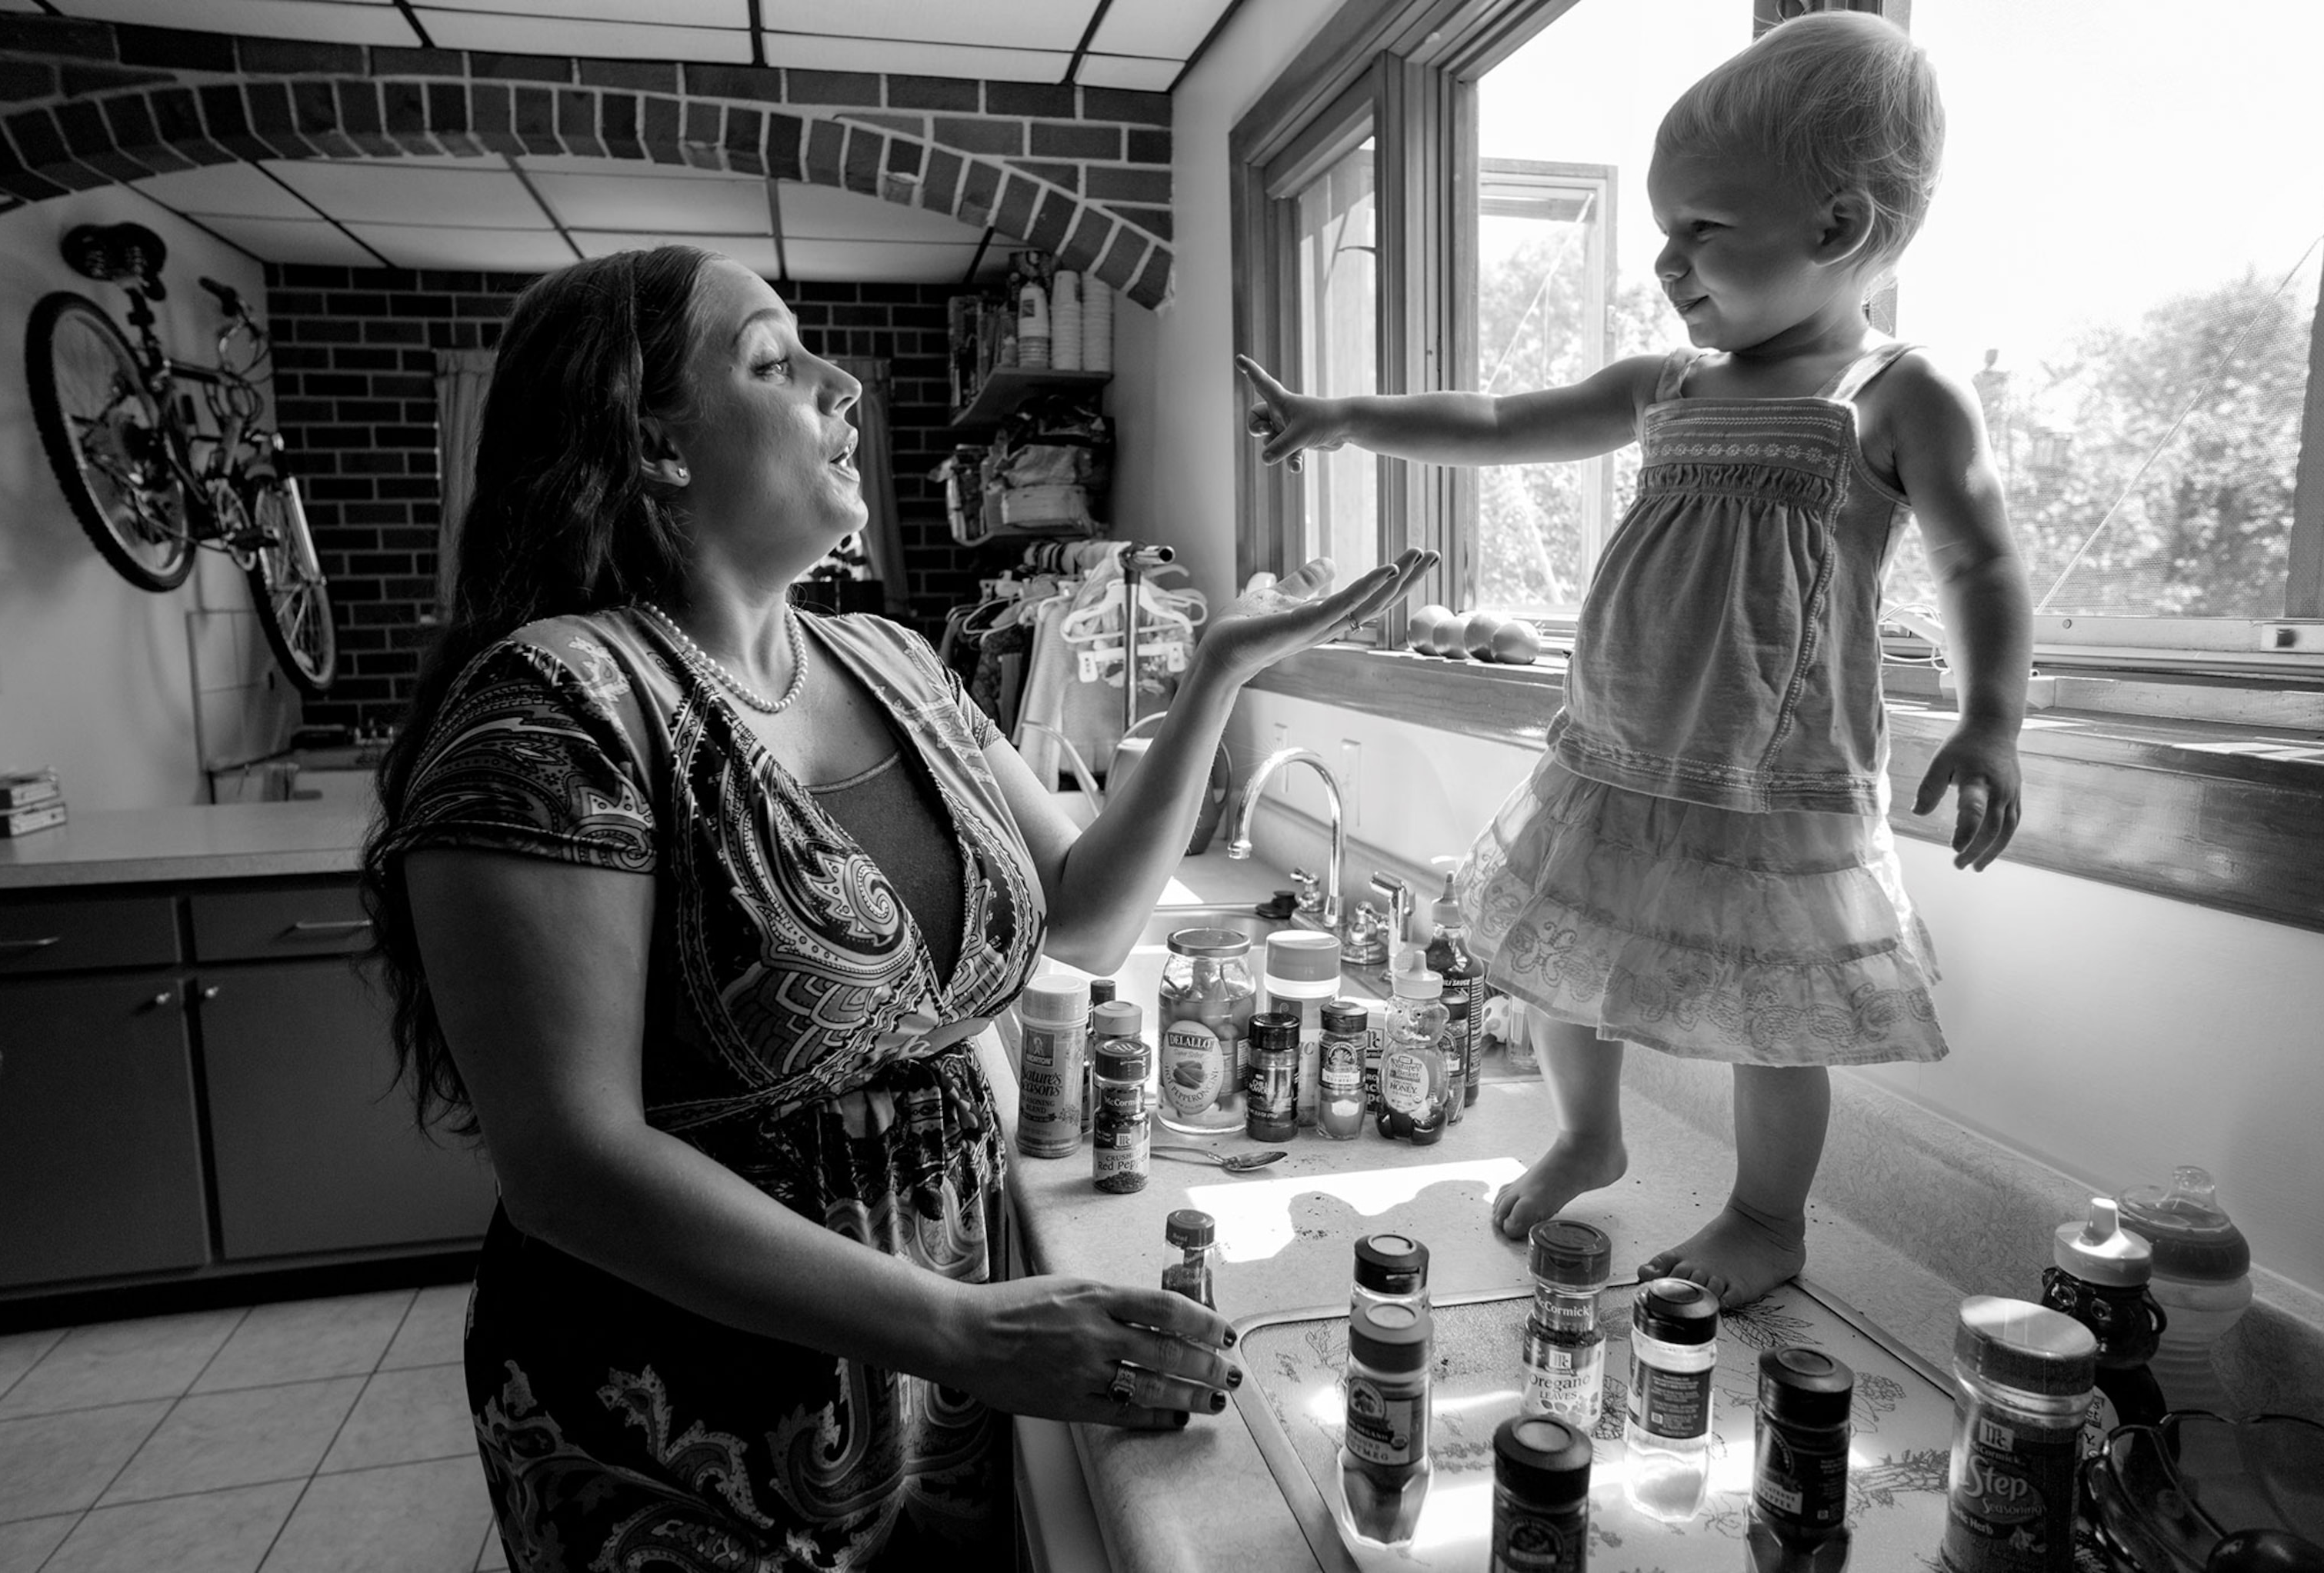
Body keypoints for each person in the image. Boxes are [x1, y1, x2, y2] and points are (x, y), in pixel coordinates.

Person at [358, 244, 1433, 1570]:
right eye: (773, 360)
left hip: (935, 1389)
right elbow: (571, 1166)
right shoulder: (555, 709)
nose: (843, 385)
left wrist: (1218, 673)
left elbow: (1084, 916)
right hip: (685, 1417)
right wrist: (964, 1327)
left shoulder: (895, 661)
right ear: (655, 444)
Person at [1235, 12, 2029, 1308]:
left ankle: (1767, 1216)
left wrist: (1993, 719)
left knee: (1776, 1022)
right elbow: (1501, 419)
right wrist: (1344, 417)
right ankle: (1588, 1133)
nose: (1666, 262)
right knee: (1557, 957)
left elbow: (1981, 563)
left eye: (1701, 229)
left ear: (1837, 227)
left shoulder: (1896, 395)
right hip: (1613, 750)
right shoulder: (1671, 383)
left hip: (1776, 778)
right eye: (1664, 231)